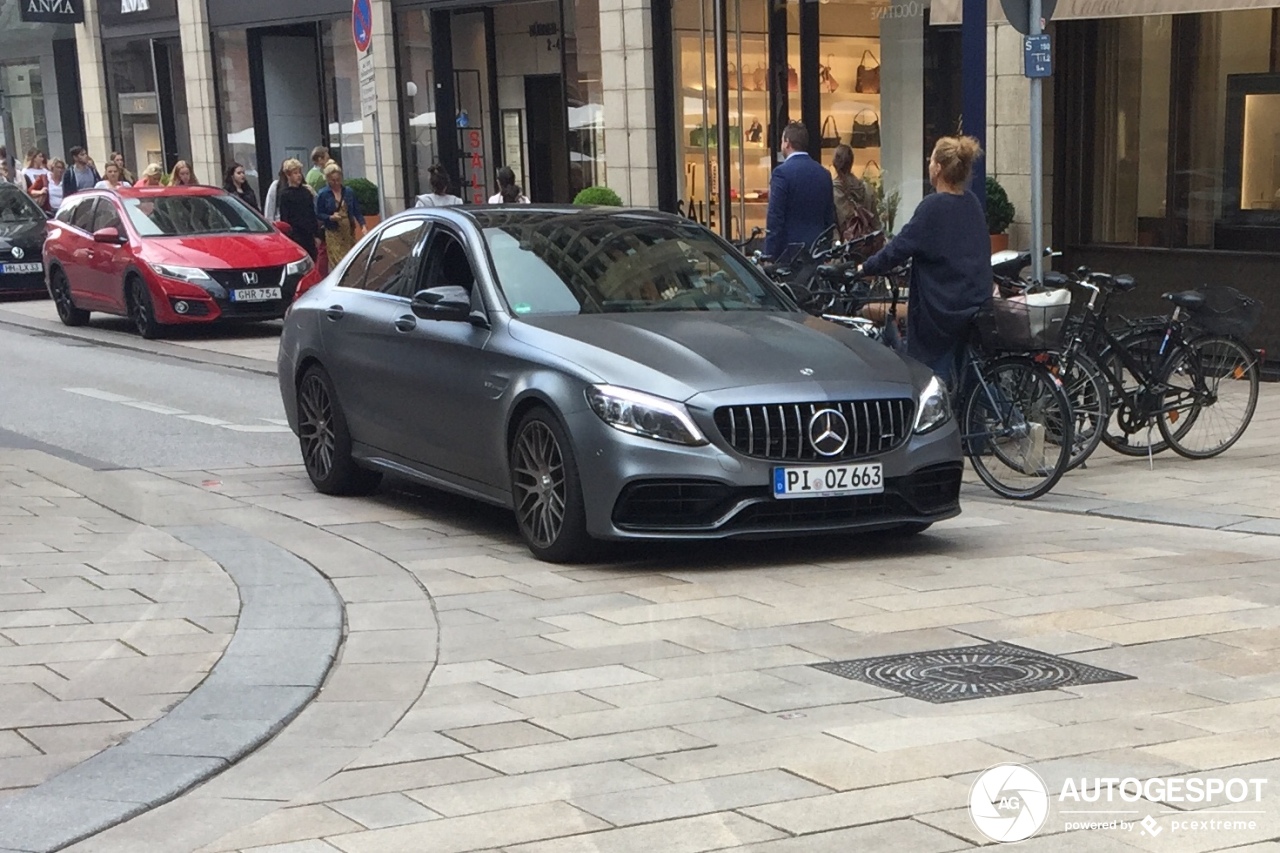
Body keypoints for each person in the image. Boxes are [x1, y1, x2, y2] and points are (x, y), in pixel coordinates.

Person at [858, 135, 992, 385]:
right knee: (974, 378)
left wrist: (866, 267)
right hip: (975, 300)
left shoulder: (933, 206)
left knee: (928, 377)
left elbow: (899, 247)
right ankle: (1005, 420)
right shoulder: (971, 202)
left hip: (945, 309)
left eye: (930, 160)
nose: (928, 165)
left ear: (938, 168)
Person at [763, 122, 835, 261]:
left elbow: (775, 218)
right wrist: (825, 251)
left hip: (789, 254)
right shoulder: (824, 174)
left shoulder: (781, 173)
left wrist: (769, 255)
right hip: (816, 252)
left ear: (787, 143)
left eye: (782, 141)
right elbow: (829, 217)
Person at [315, 161, 364, 267]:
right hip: (333, 231)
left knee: (350, 259)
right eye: (333, 180)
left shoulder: (348, 192)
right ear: (328, 180)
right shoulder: (323, 194)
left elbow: (357, 210)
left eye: (338, 180)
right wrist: (330, 217)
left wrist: (363, 225)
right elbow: (318, 213)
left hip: (348, 231)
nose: (336, 183)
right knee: (338, 261)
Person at [831, 144, 877, 242]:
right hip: (867, 246)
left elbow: (833, 226)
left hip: (846, 247)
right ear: (852, 162)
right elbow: (875, 222)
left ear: (834, 163)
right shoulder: (866, 188)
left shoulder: (833, 191)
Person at [276, 159, 319, 260]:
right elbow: (285, 218)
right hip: (295, 235)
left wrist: (316, 234)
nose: (299, 175)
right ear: (288, 175)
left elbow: (312, 214)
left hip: (308, 235)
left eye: (299, 172)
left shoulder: (306, 192)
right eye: (295, 173)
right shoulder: (285, 195)